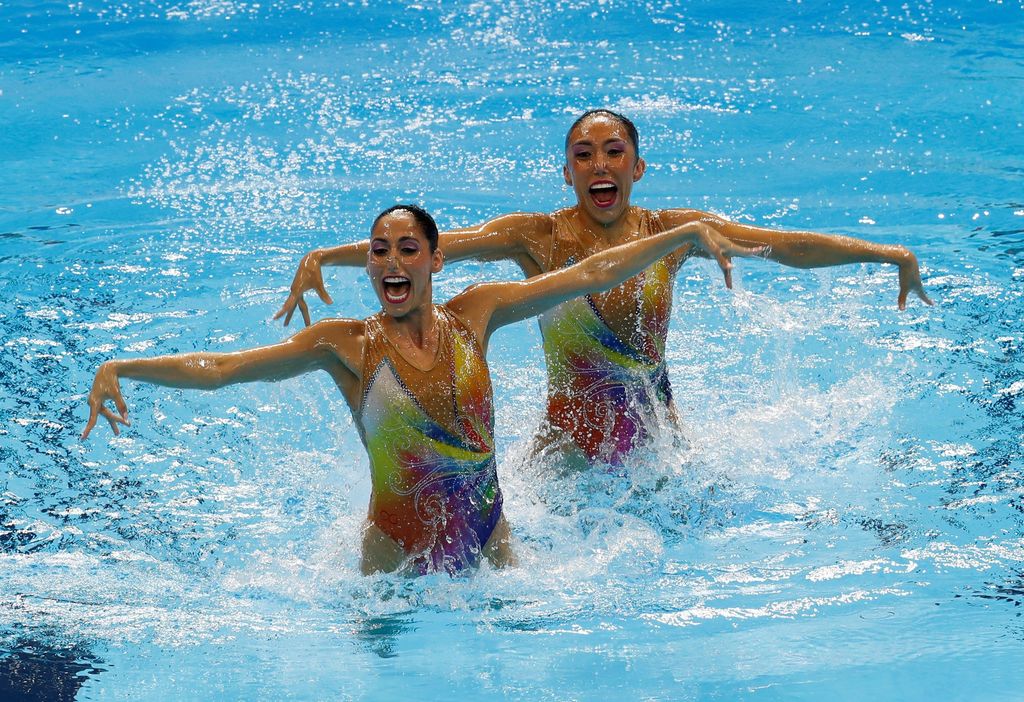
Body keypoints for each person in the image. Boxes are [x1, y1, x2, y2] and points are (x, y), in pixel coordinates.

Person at [82, 204, 757, 575]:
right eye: (379, 250)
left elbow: (587, 274)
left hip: (492, 545)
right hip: (393, 572)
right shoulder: (346, 345)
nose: (391, 261)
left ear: (436, 260)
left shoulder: (477, 313)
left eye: (407, 249)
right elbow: (226, 368)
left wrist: (680, 235)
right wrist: (125, 366)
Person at [274, 110, 933, 468]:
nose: (599, 164)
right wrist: (325, 256)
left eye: (613, 151)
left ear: (637, 167)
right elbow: (432, 245)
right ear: (567, 173)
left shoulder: (671, 232)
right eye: (583, 155)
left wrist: (888, 254)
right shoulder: (536, 237)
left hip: (659, 446)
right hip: (566, 453)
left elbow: (783, 245)